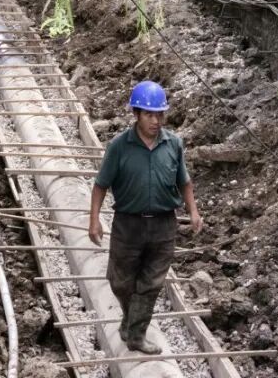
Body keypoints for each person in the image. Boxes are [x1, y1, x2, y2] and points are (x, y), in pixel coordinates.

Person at [88, 80, 203, 354]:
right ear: (136, 114)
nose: (155, 120)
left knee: (151, 283)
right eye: (149, 114)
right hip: (128, 224)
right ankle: (131, 321)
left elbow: (184, 181)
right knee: (120, 281)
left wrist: (194, 211)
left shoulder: (173, 144)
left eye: (159, 114)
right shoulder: (119, 146)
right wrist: (94, 220)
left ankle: (136, 335)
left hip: (164, 225)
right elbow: (101, 185)